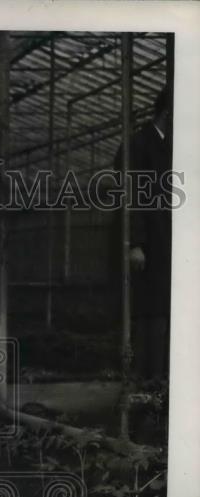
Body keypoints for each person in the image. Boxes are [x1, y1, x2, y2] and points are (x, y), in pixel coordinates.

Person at [113, 83, 173, 382]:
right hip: (150, 246)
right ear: (168, 112)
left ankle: (160, 383)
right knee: (152, 315)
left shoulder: (173, 147)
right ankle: (148, 387)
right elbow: (128, 196)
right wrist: (134, 242)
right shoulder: (138, 145)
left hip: (170, 244)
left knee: (166, 313)